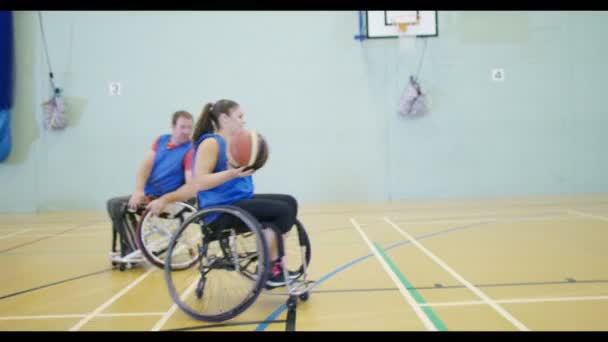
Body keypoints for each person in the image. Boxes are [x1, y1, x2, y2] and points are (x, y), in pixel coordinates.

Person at [147, 99, 299, 288]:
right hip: (220, 211)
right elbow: (199, 182)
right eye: (240, 116)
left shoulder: (236, 143)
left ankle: (273, 260)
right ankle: (269, 267)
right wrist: (231, 173)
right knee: (281, 212)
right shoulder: (211, 143)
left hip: (238, 202)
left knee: (289, 203)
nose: (244, 121)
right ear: (225, 119)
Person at [107, 110, 194, 258]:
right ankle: (134, 245)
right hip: (149, 195)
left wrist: (166, 199)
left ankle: (134, 248)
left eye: (189, 127)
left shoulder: (191, 150)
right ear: (173, 127)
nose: (186, 131)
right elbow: (145, 166)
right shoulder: (160, 141)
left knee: (119, 205)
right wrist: (138, 190)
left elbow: (191, 185)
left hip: (170, 200)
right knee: (114, 204)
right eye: (182, 127)